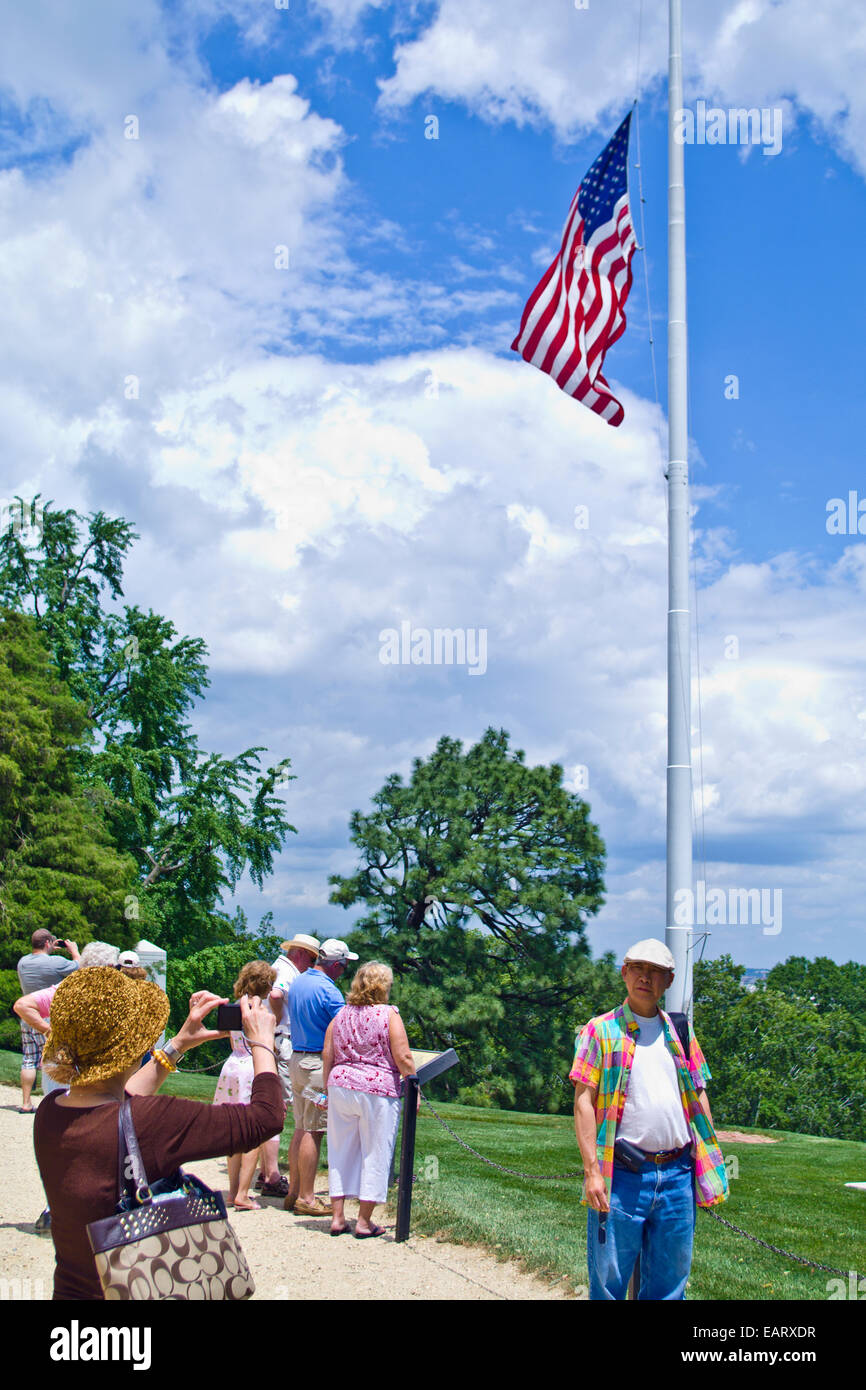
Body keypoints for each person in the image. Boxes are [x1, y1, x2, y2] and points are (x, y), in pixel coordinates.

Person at [33, 965, 284, 1300]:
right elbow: (264, 1119)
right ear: (133, 1045)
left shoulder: (50, 1111)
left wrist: (178, 1045)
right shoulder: (152, 1120)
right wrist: (263, 1043)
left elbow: (114, 1099)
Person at [571, 937, 728, 1301]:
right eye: (638, 969)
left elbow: (698, 1092)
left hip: (677, 1177)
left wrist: (709, 1155)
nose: (646, 978)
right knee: (609, 1286)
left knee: (669, 1288)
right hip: (622, 1177)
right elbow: (583, 1102)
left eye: (656, 971)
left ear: (669, 981)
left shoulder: (680, 1032)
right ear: (624, 973)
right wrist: (592, 1171)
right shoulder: (601, 1030)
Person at [322, 961, 416, 1238]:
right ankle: (364, 1221)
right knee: (376, 1153)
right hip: (377, 1090)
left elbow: (327, 1053)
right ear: (383, 986)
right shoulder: (389, 1014)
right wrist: (414, 1088)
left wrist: (328, 1088)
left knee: (340, 1153)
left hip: (341, 1084)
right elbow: (403, 1056)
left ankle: (337, 1217)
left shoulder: (340, 1015)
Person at [284, 937, 357, 1217]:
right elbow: (344, 1029)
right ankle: (307, 1197)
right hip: (316, 1067)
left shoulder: (300, 980)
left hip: (296, 1060)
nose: (344, 972)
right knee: (314, 1132)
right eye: (344, 967)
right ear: (336, 965)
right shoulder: (330, 992)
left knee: (301, 1127)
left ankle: (293, 1192)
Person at [213, 960, 283, 1211]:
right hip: (252, 1067)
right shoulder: (261, 1010)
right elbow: (265, 1045)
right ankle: (243, 1192)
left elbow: (231, 1039)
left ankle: (233, 1191)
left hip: (232, 1067)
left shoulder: (234, 1006)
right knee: (253, 1133)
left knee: (234, 1131)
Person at [256, 933, 320, 1195]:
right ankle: (271, 1175)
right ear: (302, 954)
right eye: (313, 958)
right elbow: (276, 995)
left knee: (274, 1105)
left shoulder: (281, 967)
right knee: (278, 1109)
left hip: (278, 1039)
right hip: (283, 1040)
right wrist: (279, 1022)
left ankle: (265, 1171)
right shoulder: (286, 970)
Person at [15, 930, 81, 1112]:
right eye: (52, 942)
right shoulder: (56, 962)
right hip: (48, 1015)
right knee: (53, 1060)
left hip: (27, 1013)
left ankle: (26, 1103)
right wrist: (73, 950)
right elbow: (81, 968)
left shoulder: (23, 962)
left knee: (29, 1059)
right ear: (46, 943)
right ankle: (54, 1103)